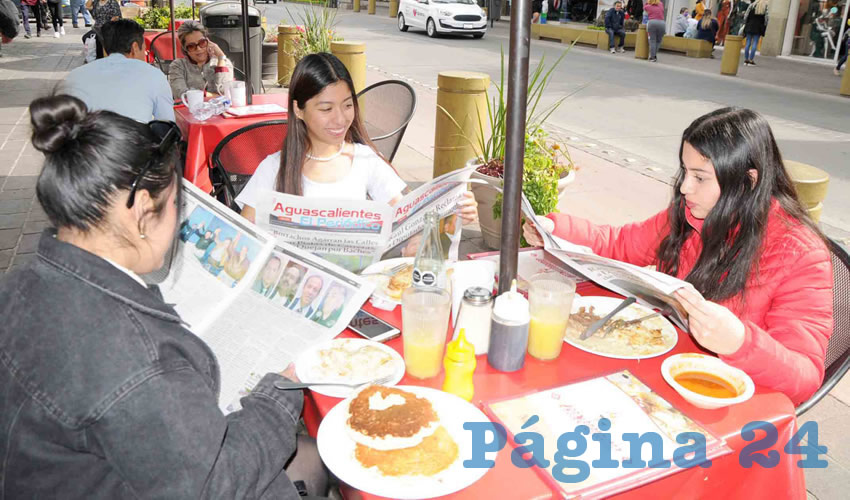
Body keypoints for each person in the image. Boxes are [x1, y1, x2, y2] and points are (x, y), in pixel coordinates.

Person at [0, 94, 328, 498]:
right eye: (177, 203)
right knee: (314, 456)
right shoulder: (140, 358)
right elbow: (215, 483)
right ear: (140, 209)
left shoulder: (18, 286)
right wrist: (279, 392)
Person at [523, 107, 833, 406]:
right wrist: (555, 228)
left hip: (725, 398)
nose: (685, 187)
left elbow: (804, 378)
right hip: (665, 367)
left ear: (747, 182)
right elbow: (622, 242)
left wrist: (740, 342)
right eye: (685, 172)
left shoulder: (801, 254)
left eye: (700, 177)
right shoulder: (691, 213)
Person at [236, 53, 477, 228]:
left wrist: (451, 216)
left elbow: (409, 220)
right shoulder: (274, 167)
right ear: (298, 110)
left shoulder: (365, 161)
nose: (340, 119)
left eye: (348, 105)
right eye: (326, 108)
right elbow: (244, 237)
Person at [60, 19, 175, 123]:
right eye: (144, 50)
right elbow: (167, 125)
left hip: (83, 144)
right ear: (134, 48)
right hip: (131, 143)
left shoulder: (74, 75)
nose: (144, 54)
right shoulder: (153, 75)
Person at [168, 21, 234, 99]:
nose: (198, 48)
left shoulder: (223, 62)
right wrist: (213, 96)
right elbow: (181, 95)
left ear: (208, 42)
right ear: (185, 49)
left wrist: (221, 57)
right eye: (191, 46)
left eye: (202, 42)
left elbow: (225, 92)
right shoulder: (178, 66)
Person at [743, 0, 769, 66]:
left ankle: (746, 59)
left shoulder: (752, 5)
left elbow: (746, 15)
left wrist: (745, 23)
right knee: (755, 42)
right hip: (758, 26)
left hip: (750, 25)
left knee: (748, 42)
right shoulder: (765, 6)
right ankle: (751, 60)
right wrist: (764, 25)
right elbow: (766, 18)